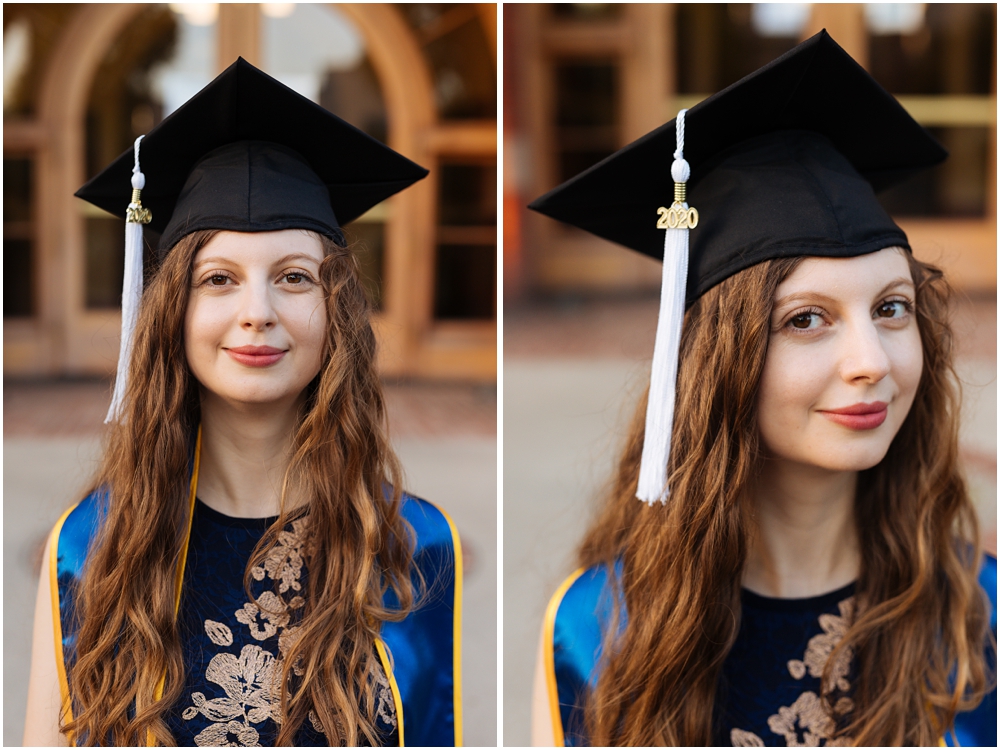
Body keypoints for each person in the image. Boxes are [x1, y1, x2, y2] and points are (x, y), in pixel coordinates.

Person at [528, 32, 996, 747]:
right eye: (807, 319)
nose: (871, 360)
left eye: (891, 308)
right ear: (718, 361)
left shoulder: (980, 610)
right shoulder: (599, 630)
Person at [23, 59, 461, 747]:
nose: (256, 312)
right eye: (219, 279)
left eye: (292, 277)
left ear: (335, 311)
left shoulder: (411, 546)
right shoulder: (93, 546)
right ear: (171, 312)